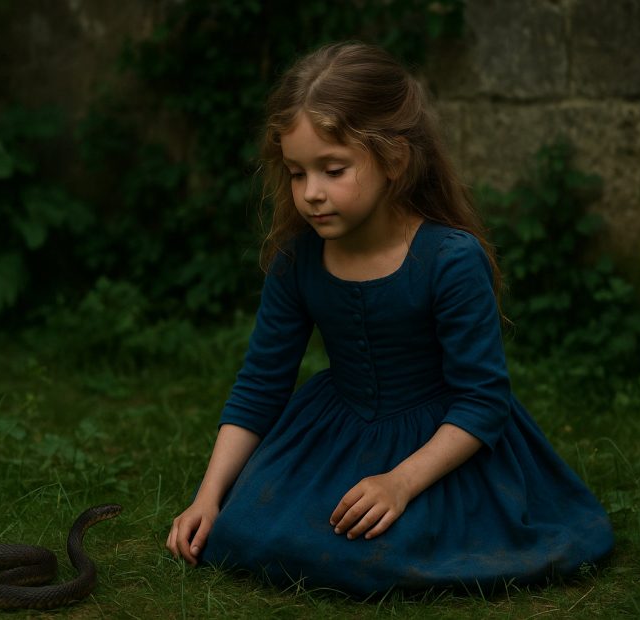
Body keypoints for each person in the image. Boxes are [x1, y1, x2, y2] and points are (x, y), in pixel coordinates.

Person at [166, 41, 613, 595]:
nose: (311, 194)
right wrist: (208, 498)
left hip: (442, 446)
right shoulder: (297, 259)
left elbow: (483, 400)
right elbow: (260, 386)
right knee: (250, 533)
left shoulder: (450, 259)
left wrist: (400, 483)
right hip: (334, 428)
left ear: (394, 160)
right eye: (297, 172)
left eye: (332, 170)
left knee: (390, 554)